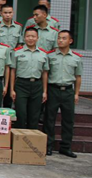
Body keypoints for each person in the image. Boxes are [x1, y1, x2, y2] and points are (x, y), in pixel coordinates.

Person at [45, 30, 83, 158]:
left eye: (64, 38)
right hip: (53, 90)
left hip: (68, 91)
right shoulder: (50, 56)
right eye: (59, 38)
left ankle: (66, 147)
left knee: (68, 120)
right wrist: (45, 91)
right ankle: (48, 146)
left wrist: (76, 93)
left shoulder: (76, 58)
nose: (60, 40)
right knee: (49, 119)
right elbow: (46, 74)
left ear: (70, 41)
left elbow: (78, 77)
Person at [10, 27, 49, 129]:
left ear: (38, 38)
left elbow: (45, 73)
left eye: (33, 36)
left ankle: (32, 137)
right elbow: (13, 71)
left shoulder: (43, 54)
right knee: (21, 113)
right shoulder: (17, 52)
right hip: (21, 85)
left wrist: (45, 91)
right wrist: (12, 89)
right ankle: (19, 136)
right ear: (24, 38)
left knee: (34, 115)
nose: (30, 38)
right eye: (28, 36)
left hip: (37, 85)